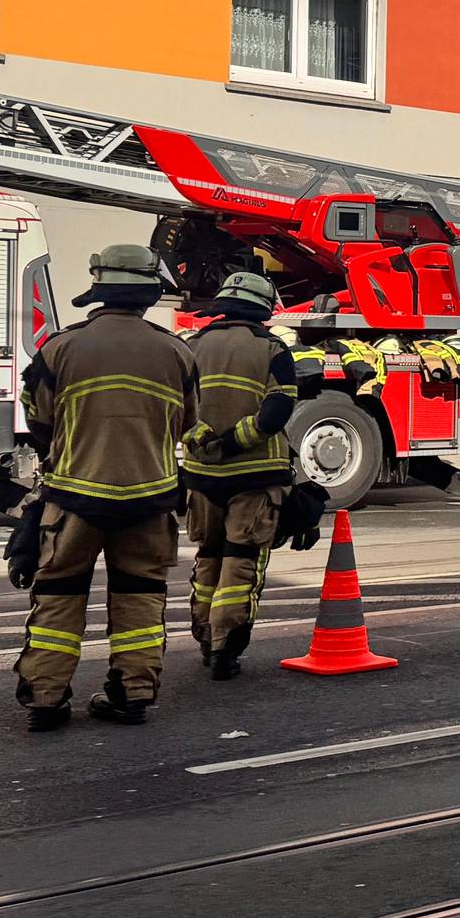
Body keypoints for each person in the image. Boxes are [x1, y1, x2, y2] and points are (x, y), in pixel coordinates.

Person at [7, 246, 199, 730]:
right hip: (149, 500)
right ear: (148, 293)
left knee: (59, 595)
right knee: (140, 596)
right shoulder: (177, 352)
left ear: (99, 288)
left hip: (73, 498)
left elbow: (38, 420)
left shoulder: (61, 347)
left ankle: (46, 699)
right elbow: (188, 423)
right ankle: (133, 693)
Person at [177, 273, 305, 681]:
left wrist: (204, 439)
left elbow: (175, 407)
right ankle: (225, 649)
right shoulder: (272, 349)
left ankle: (204, 636)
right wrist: (236, 441)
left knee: (208, 557)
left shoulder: (191, 346)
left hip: (201, 476)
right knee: (241, 563)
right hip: (255, 477)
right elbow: (278, 411)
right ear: (263, 309)